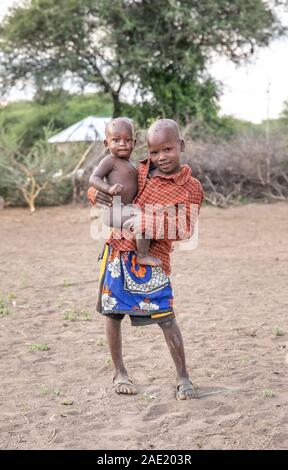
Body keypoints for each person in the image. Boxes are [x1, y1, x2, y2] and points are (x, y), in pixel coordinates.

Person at [88, 119, 204, 400]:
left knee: (166, 318)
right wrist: (97, 194)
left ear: (181, 146)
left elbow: (185, 229)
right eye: (154, 152)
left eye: (167, 149)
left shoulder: (190, 187)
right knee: (112, 314)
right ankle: (120, 372)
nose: (161, 157)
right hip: (117, 251)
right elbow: (104, 186)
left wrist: (144, 220)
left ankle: (183, 377)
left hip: (153, 257)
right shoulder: (140, 170)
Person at [89, 117, 161, 267]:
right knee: (143, 220)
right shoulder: (110, 161)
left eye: (127, 140)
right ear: (106, 143)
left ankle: (142, 250)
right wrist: (108, 188)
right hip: (114, 210)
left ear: (134, 143)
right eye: (116, 140)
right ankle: (142, 255)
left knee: (146, 220)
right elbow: (94, 178)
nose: (122, 144)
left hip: (127, 210)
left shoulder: (133, 165)